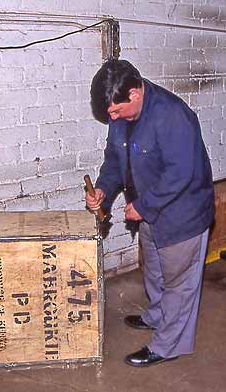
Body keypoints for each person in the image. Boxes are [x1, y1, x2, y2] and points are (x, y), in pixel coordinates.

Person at [85, 59, 215, 367]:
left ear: (134, 94)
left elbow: (181, 173)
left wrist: (143, 206)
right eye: (109, 114)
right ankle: (157, 316)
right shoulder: (119, 116)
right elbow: (115, 160)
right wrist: (103, 189)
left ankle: (169, 345)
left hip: (183, 213)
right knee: (155, 269)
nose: (112, 118)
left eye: (116, 111)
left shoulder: (173, 116)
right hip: (148, 209)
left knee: (179, 282)